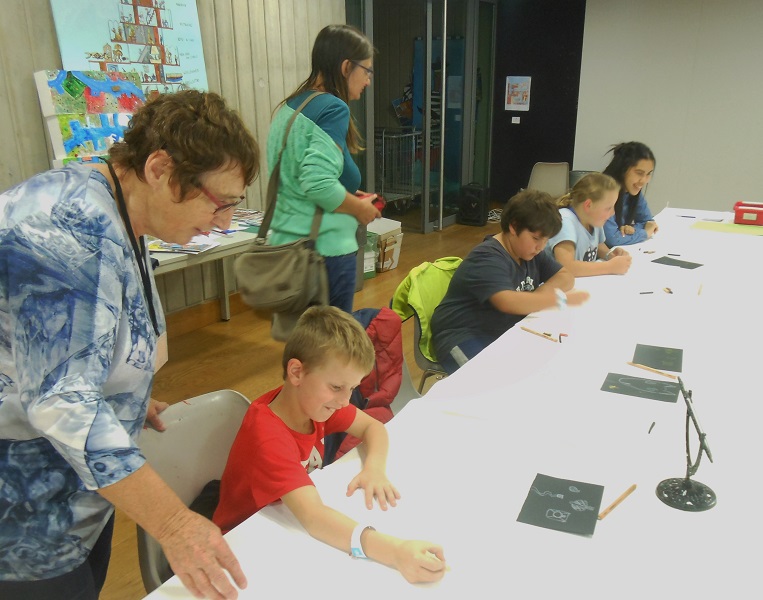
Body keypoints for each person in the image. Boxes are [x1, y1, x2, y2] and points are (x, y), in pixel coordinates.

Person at [0, 90, 259, 599]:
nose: (226, 221)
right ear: (160, 168)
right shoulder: (67, 228)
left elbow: (77, 348)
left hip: (76, 493)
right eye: (220, 202)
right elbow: (61, 401)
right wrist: (174, 525)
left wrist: (123, 394)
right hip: (24, 519)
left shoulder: (121, 206)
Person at [213, 306, 447, 584]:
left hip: (284, 518)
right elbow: (314, 518)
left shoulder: (314, 402)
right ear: (297, 373)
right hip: (241, 544)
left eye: (352, 388)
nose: (345, 400)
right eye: (337, 387)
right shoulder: (269, 437)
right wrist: (396, 552)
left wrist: (374, 469)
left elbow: (372, 427)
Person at [266, 24, 381, 314]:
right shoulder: (333, 109)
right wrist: (359, 208)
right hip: (323, 253)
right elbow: (317, 183)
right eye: (366, 71)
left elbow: (295, 179)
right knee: (332, 338)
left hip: (286, 249)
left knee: (299, 335)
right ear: (346, 67)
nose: (368, 80)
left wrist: (347, 194)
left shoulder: (291, 106)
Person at [431, 190, 590, 374]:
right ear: (514, 227)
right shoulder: (487, 257)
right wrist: (555, 300)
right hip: (462, 336)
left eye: (546, 240)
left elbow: (565, 276)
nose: (540, 247)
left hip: (501, 332)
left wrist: (540, 293)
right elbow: (507, 302)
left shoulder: (529, 252)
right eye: (536, 238)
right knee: (490, 381)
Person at [546, 172, 632, 276]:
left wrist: (610, 254)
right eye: (608, 208)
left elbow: (597, 245)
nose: (613, 212)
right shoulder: (566, 221)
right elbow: (566, 267)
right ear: (588, 205)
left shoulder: (593, 219)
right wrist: (610, 267)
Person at [602, 141, 659, 246]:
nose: (644, 180)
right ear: (622, 169)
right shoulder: (603, 192)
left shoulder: (633, 191)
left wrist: (632, 229)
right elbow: (612, 239)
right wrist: (644, 233)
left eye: (648, 174)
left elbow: (648, 222)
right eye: (639, 173)